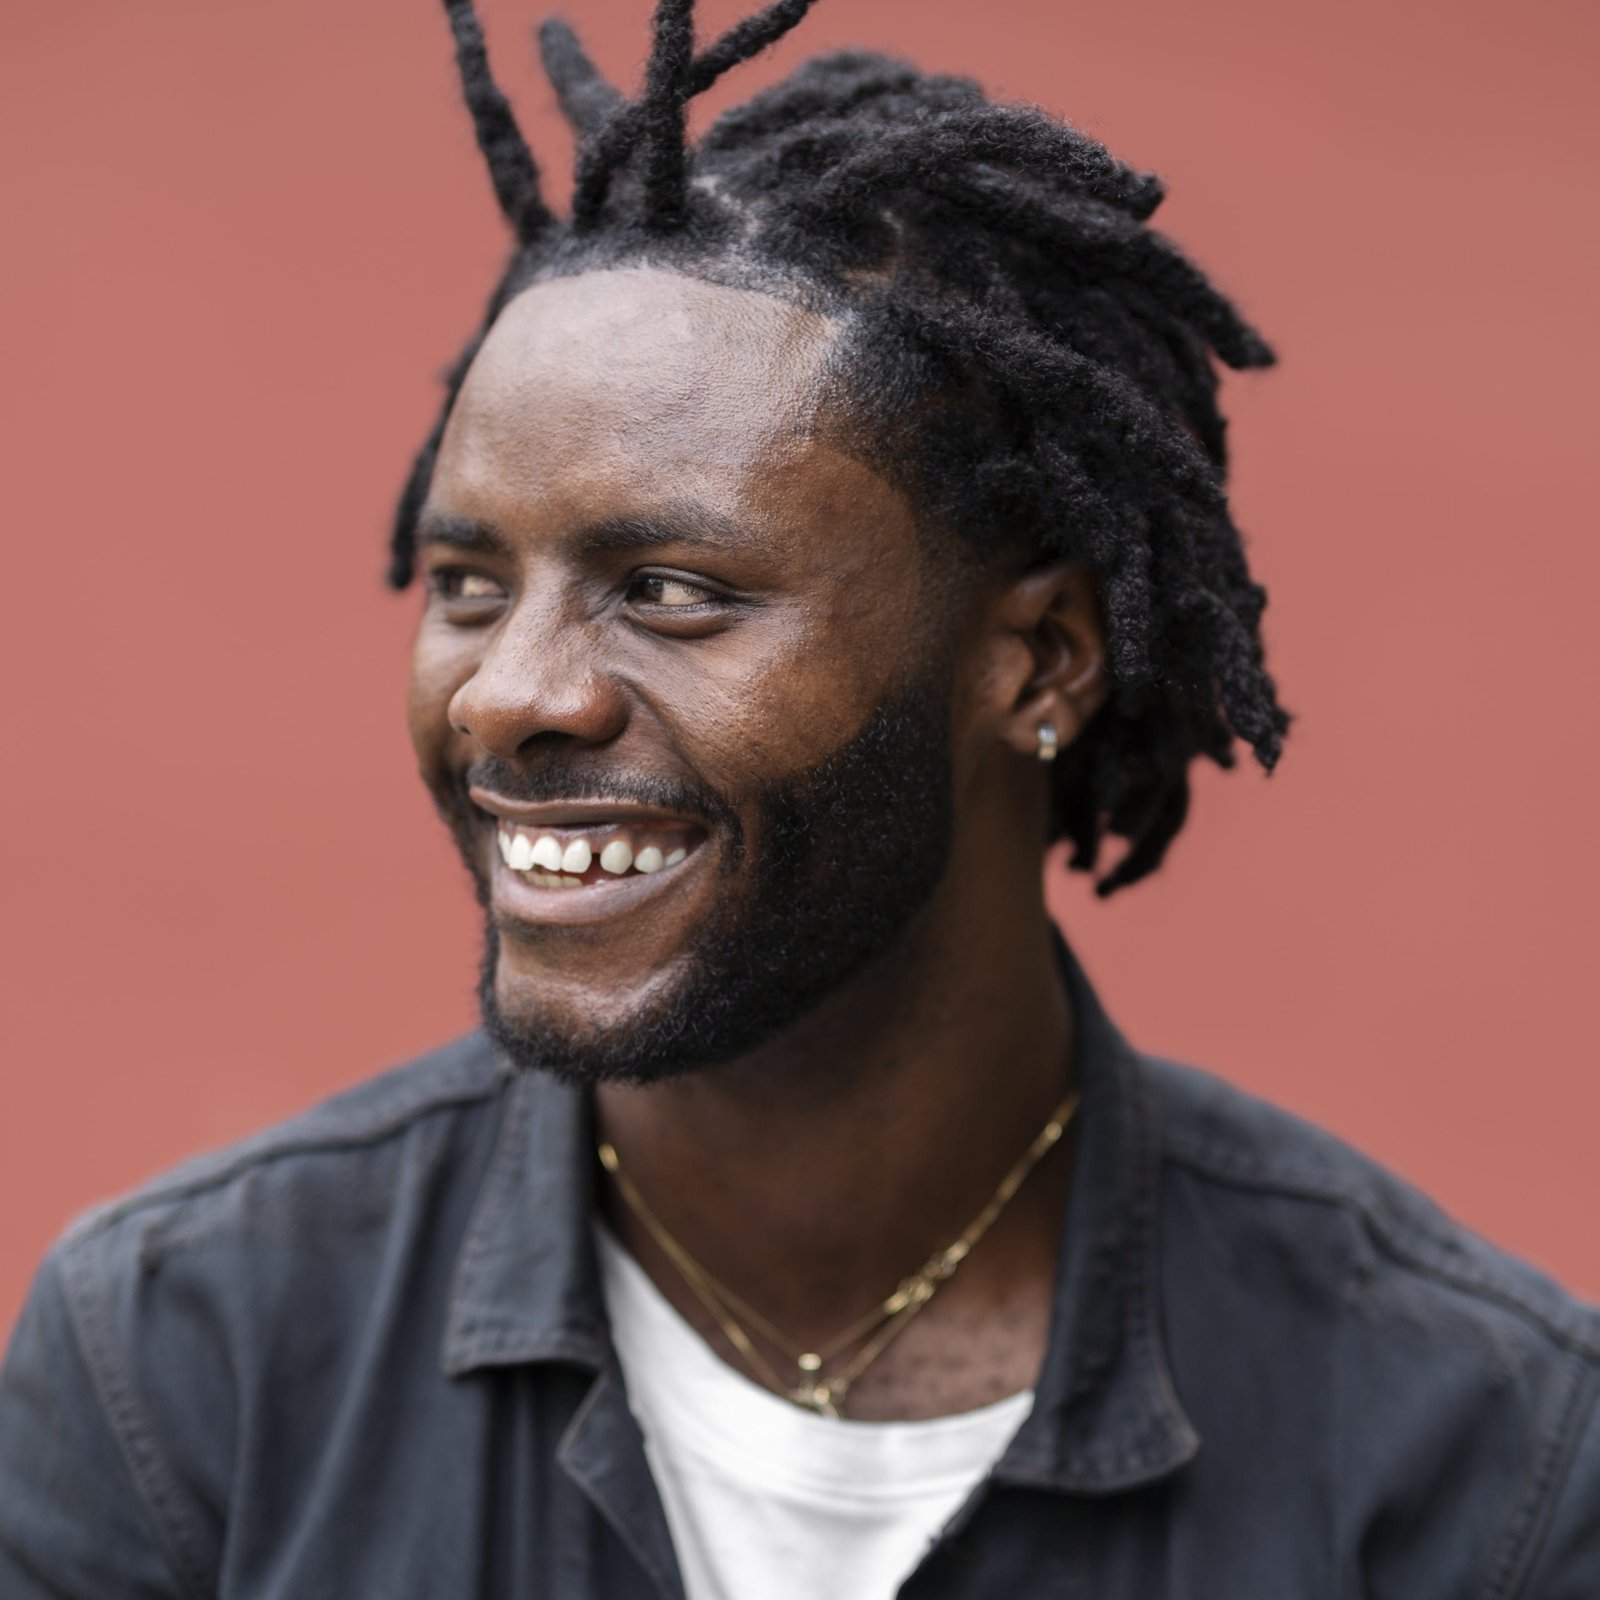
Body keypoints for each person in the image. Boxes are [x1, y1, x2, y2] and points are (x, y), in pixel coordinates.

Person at [2, 0, 1595, 1594]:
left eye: (674, 589)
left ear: (1039, 661)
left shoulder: (1476, 1455)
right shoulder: (182, 1368)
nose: (510, 694)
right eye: (470, 585)